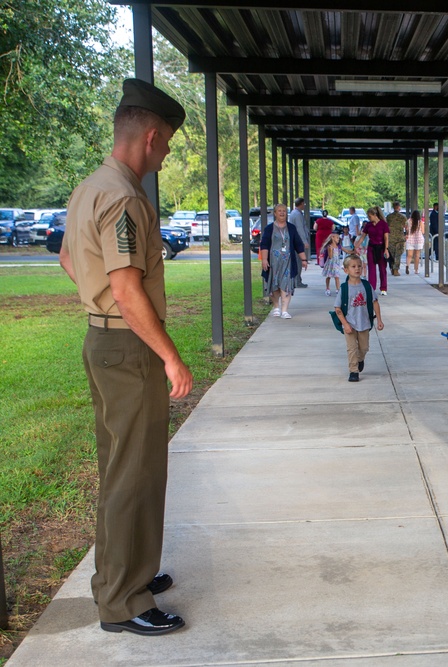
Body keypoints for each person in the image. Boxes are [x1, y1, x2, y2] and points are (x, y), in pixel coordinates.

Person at [59, 78, 191, 636]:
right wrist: (170, 357)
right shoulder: (125, 196)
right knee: (134, 474)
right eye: (166, 148)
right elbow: (129, 285)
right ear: (153, 137)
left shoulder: (92, 186)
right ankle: (125, 600)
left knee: (120, 468)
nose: (164, 158)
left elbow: (69, 258)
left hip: (104, 338)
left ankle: (123, 574)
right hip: (128, 346)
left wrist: (102, 304)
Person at [332, 254, 383, 382]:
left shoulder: (366, 286)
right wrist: (345, 324)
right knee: (351, 348)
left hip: (364, 322)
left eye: (359, 266)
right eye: (353, 266)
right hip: (349, 324)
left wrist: (380, 320)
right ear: (346, 270)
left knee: (364, 347)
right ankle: (353, 371)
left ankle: (360, 359)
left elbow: (375, 302)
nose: (357, 269)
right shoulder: (344, 288)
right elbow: (337, 309)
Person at [260, 202, 308, 319]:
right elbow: (264, 245)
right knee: (274, 284)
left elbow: (298, 244)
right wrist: (264, 259)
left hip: (288, 262)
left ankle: (284, 310)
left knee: (286, 284)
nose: (282, 213)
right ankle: (276, 307)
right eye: (279, 211)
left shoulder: (291, 228)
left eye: (284, 211)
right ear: (275, 213)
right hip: (273, 263)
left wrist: (303, 259)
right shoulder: (269, 228)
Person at [357, 205, 390, 295]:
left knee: (382, 269)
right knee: (371, 268)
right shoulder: (368, 225)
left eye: (370, 216)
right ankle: (371, 288)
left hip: (381, 247)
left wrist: (386, 249)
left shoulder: (383, 224)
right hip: (371, 248)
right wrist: (356, 246)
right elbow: (362, 237)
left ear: (375, 215)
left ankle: (383, 288)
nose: (369, 218)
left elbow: (386, 238)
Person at [288, 197, 310, 287]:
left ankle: (296, 280)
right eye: (303, 204)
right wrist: (304, 241)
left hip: (295, 241)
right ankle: (297, 282)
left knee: (296, 261)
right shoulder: (297, 215)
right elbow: (300, 228)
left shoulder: (294, 213)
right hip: (298, 241)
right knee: (299, 262)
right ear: (301, 204)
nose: (304, 205)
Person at [386, 201, 407, 276]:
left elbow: (386, 227)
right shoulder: (403, 217)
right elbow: (406, 227)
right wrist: (406, 235)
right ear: (399, 207)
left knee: (391, 255)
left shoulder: (389, 217)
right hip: (399, 238)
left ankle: (392, 267)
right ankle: (396, 270)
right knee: (398, 255)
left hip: (390, 238)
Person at [319, 230, 342, 296]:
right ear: (332, 238)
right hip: (331, 264)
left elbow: (345, 250)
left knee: (337, 276)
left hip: (336, 264)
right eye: (337, 238)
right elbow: (330, 256)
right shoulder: (330, 247)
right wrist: (331, 250)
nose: (338, 239)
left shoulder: (338, 246)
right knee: (329, 276)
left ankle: (338, 289)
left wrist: (353, 251)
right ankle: (327, 288)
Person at [404, 209, 424, 275]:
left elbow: (406, 229)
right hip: (418, 240)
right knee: (417, 256)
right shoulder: (420, 222)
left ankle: (407, 266)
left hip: (410, 240)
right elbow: (423, 231)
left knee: (409, 255)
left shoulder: (408, 221)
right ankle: (416, 269)